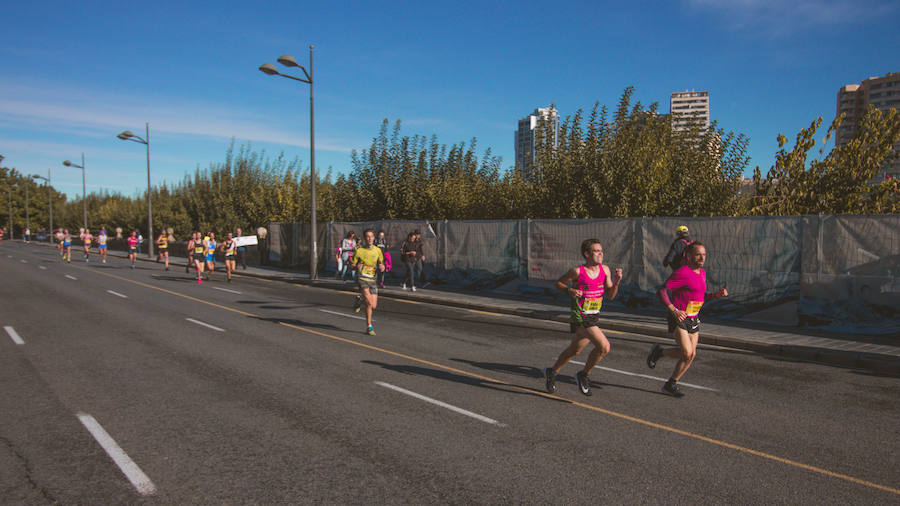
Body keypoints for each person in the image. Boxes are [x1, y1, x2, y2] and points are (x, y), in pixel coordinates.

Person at [647, 241, 728, 398]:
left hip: (693, 317)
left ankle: (669, 381)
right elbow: (662, 291)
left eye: (704, 255)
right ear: (688, 256)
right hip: (678, 317)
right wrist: (674, 310)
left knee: (690, 355)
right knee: (687, 351)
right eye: (698, 254)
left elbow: (700, 297)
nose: (701, 258)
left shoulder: (702, 273)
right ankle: (659, 355)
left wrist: (716, 295)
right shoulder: (682, 272)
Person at [543, 239, 622, 396]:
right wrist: (569, 291)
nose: (601, 253)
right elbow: (559, 283)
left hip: (594, 315)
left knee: (574, 351)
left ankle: (552, 371)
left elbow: (611, 295)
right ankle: (583, 375)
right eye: (596, 251)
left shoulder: (605, 270)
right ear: (587, 254)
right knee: (604, 346)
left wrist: (617, 282)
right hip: (580, 315)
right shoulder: (577, 272)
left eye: (601, 250)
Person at [351, 229, 385, 336]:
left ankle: (359, 300)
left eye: (371, 236)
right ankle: (369, 326)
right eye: (367, 237)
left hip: (373, 279)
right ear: (365, 238)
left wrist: (382, 266)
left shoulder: (377, 250)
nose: (369, 239)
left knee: (373, 305)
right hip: (362, 278)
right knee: (369, 302)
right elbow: (351, 265)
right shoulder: (359, 250)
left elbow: (381, 263)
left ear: (374, 238)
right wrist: (356, 266)